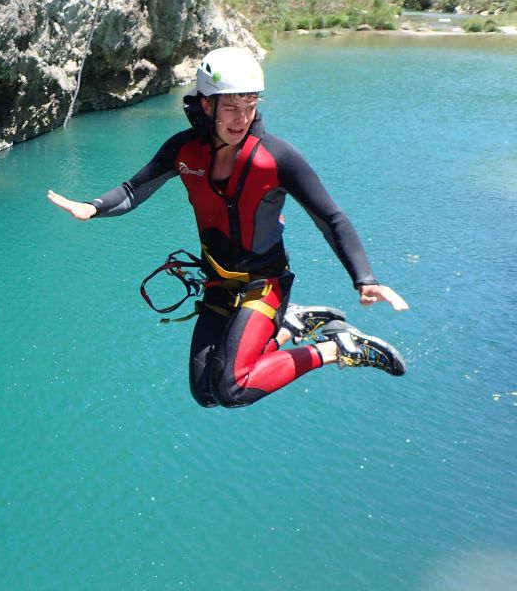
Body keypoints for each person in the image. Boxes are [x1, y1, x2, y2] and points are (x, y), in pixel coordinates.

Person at [48, 46, 408, 408]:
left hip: (265, 284)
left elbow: (331, 218)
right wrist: (92, 207)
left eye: (250, 107)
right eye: (232, 108)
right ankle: (291, 326)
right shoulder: (184, 150)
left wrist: (365, 279)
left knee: (233, 388)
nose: (242, 119)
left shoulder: (276, 158)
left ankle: (339, 347)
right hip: (219, 281)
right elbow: (132, 191)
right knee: (205, 393)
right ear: (207, 105)